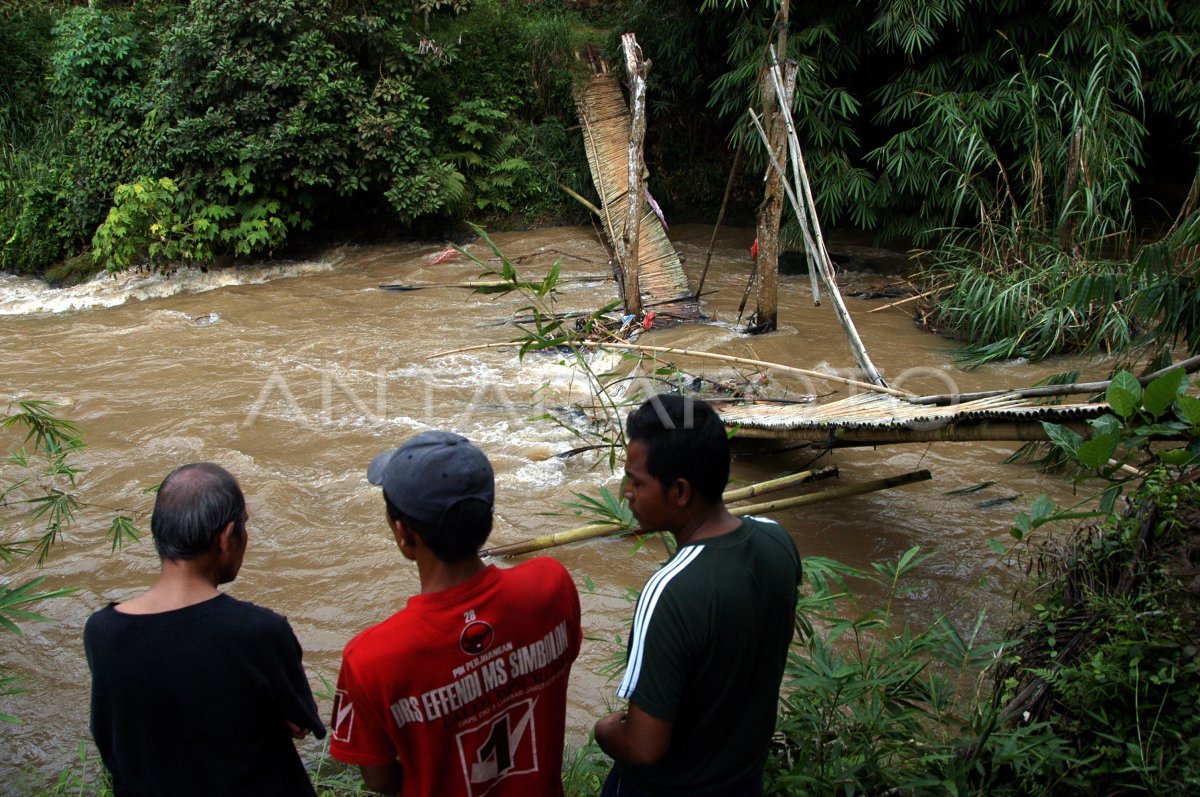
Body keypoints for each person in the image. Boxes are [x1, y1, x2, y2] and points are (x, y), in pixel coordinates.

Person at [330, 430, 582, 796]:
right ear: (488, 518)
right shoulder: (551, 585)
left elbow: (381, 780)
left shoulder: (371, 659)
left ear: (403, 534)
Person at [594, 394, 803, 797]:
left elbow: (644, 746)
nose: (626, 494)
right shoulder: (777, 540)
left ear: (681, 492)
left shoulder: (669, 591)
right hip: (743, 780)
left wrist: (605, 732)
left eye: (637, 482)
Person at [83, 462, 326, 796]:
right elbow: (299, 722)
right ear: (226, 537)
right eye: (245, 525)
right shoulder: (259, 631)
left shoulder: (102, 631)